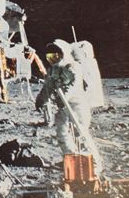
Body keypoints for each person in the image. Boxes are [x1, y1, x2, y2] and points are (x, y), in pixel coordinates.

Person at [35, 40, 105, 173]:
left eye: (58, 54)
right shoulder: (53, 70)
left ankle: (94, 162)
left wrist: (63, 98)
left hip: (78, 105)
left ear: (65, 53)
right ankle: (70, 157)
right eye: (51, 55)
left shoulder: (73, 67)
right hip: (63, 106)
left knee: (80, 134)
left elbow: (71, 86)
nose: (54, 57)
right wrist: (41, 99)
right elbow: (48, 86)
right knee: (62, 132)